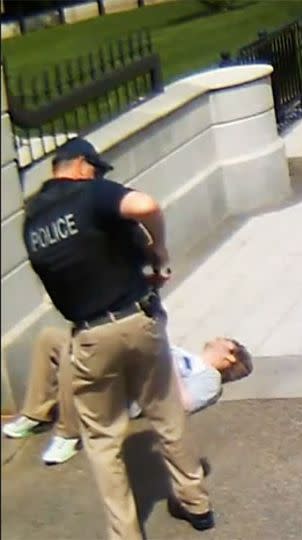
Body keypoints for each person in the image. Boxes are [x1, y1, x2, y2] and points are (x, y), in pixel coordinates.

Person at [20, 137, 214, 538]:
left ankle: (125, 533)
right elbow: (146, 206)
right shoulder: (90, 193)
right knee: (165, 412)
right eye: (95, 169)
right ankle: (196, 502)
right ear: (80, 165)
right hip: (136, 319)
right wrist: (159, 250)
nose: (97, 175)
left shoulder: (33, 222)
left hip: (89, 335)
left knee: (103, 439)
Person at [2, 328, 253, 466]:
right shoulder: (188, 356)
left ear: (230, 356)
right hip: (124, 361)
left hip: (128, 389)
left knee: (77, 358)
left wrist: (164, 359)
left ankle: (68, 434)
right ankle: (34, 414)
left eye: (224, 340)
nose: (216, 337)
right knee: (51, 337)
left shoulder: (209, 378)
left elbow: (184, 403)